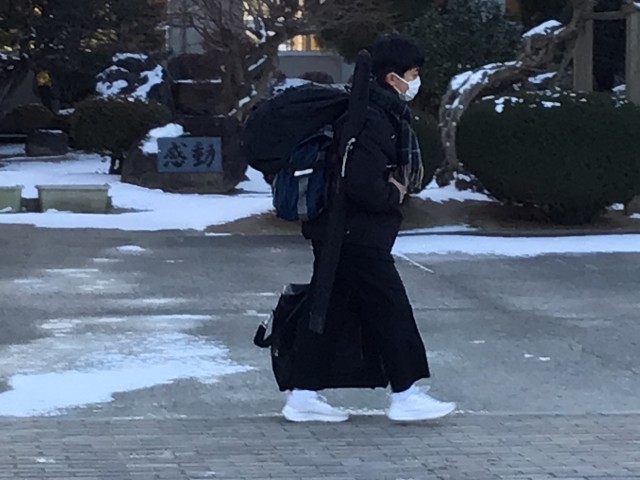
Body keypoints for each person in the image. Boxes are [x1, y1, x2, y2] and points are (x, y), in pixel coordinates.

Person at [280, 34, 457, 423]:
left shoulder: (370, 110)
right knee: (390, 308)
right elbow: (361, 182)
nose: (416, 81)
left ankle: (303, 394)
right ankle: (406, 392)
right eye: (413, 74)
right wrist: (394, 192)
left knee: (327, 307)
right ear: (393, 78)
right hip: (356, 234)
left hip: (341, 231)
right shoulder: (373, 118)